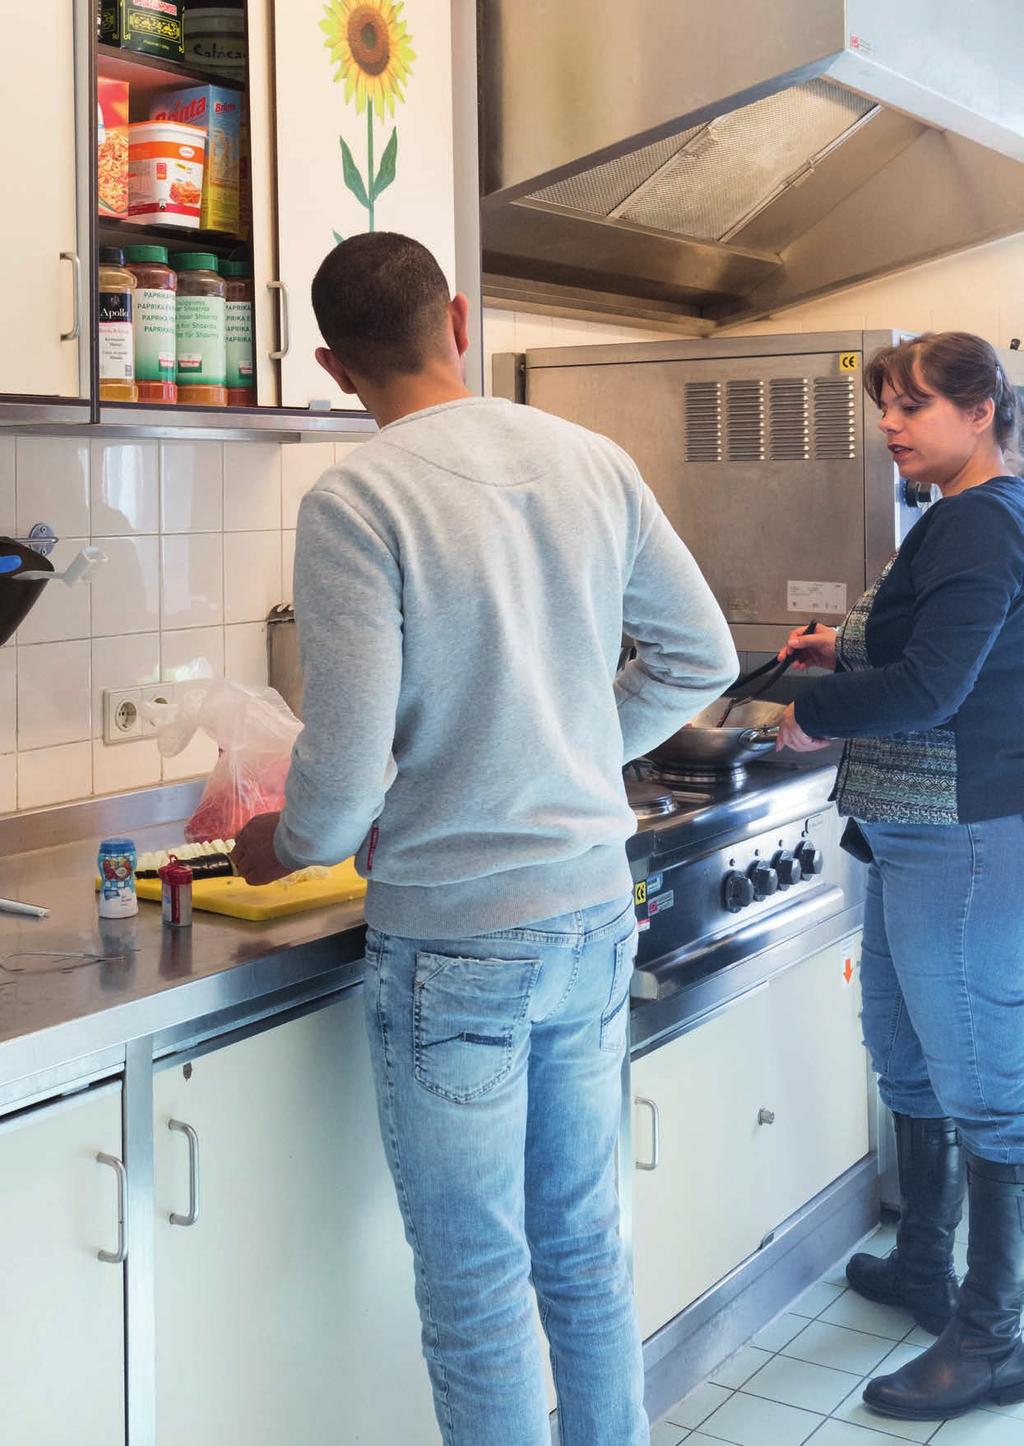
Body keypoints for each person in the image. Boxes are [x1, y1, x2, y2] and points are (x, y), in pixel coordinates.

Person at [233, 231, 738, 1446]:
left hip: (457, 940)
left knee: (475, 1289)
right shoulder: (593, 461)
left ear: (330, 364)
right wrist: (572, 743)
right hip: (589, 915)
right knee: (580, 1250)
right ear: (458, 319)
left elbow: (342, 783)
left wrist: (278, 843)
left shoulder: (358, 496)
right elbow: (702, 658)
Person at [776, 331, 1024, 1423]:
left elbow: (930, 690)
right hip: (909, 832)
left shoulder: (977, 522)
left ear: (980, 414)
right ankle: (925, 1260)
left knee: (981, 1078)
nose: (890, 422)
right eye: (885, 402)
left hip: (962, 838)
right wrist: (845, 644)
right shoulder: (958, 520)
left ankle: (994, 1331)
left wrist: (811, 712)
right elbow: (942, 656)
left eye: (914, 404)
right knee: (902, 1050)